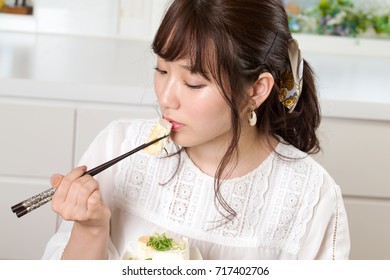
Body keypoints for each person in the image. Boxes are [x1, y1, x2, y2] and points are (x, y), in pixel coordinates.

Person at [42, 0, 350, 260]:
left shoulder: (311, 195)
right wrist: (90, 229)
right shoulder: (117, 146)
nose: (165, 97)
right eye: (161, 70)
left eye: (194, 83)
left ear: (256, 90)